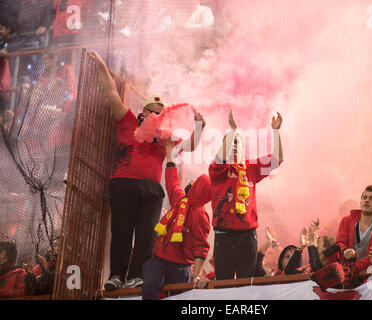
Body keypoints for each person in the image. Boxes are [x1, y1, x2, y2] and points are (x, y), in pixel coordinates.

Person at [89, 51, 206, 290]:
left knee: (146, 235)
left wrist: (199, 127)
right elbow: (111, 94)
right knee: (121, 231)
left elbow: (190, 145)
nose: (155, 114)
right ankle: (116, 276)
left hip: (151, 188)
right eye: (152, 110)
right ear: (143, 112)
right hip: (122, 183)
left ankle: (135, 276)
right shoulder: (129, 121)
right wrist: (101, 63)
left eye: (159, 112)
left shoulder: (165, 137)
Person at [209, 109, 283, 280]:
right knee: (224, 283)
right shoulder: (217, 170)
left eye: (237, 142)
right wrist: (233, 130)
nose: (234, 144)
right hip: (224, 235)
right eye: (230, 142)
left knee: (247, 282)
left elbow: (278, 159)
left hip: (248, 235)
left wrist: (276, 131)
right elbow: (220, 158)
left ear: (243, 148)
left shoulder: (251, 168)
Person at [142, 141, 211, 300]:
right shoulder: (180, 199)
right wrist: (170, 156)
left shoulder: (201, 216)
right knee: (149, 289)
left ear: (200, 189)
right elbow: (172, 181)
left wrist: (195, 277)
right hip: (158, 259)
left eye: (195, 182)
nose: (190, 182)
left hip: (181, 268)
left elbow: (201, 249)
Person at [335, 185, 372, 280]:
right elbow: (339, 243)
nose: (367, 200)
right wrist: (344, 250)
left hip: (369, 279)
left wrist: (352, 269)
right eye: (364, 197)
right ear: (360, 201)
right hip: (345, 276)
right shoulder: (346, 220)